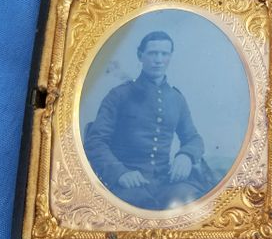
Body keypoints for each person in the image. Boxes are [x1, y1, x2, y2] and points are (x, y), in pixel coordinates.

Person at [84, 31, 216, 210]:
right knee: (137, 207)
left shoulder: (176, 99)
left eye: (164, 54)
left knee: (193, 201)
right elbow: (95, 141)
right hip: (127, 182)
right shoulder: (119, 95)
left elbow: (193, 138)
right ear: (141, 56)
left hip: (165, 182)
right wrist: (120, 173)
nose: (158, 60)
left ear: (170, 57)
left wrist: (186, 155)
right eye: (153, 53)